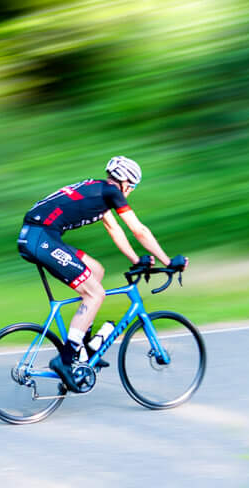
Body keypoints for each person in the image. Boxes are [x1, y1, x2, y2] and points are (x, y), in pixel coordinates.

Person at [17, 156, 174, 381]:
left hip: (40, 236)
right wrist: (168, 261)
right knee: (95, 294)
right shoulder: (112, 193)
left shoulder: (99, 190)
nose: (130, 192)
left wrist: (136, 259)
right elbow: (138, 230)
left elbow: (115, 230)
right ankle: (67, 358)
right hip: (40, 238)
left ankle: (83, 348)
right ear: (126, 182)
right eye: (132, 187)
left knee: (96, 271)